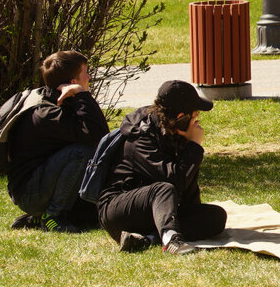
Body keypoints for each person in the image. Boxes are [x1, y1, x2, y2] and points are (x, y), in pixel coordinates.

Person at [97, 81, 226, 255]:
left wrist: (194, 213)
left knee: (216, 217)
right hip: (118, 208)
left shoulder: (172, 130)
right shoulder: (140, 138)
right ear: (182, 117)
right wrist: (194, 147)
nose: (197, 120)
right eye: (195, 114)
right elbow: (175, 180)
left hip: (156, 210)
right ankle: (171, 241)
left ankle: (146, 239)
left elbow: (186, 182)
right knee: (164, 188)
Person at [6, 50, 107, 233]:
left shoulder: (54, 101)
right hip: (30, 194)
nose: (89, 77)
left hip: (36, 185)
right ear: (73, 83)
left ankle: (38, 217)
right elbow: (98, 137)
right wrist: (83, 95)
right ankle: (53, 216)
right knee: (81, 152)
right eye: (85, 73)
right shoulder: (48, 114)